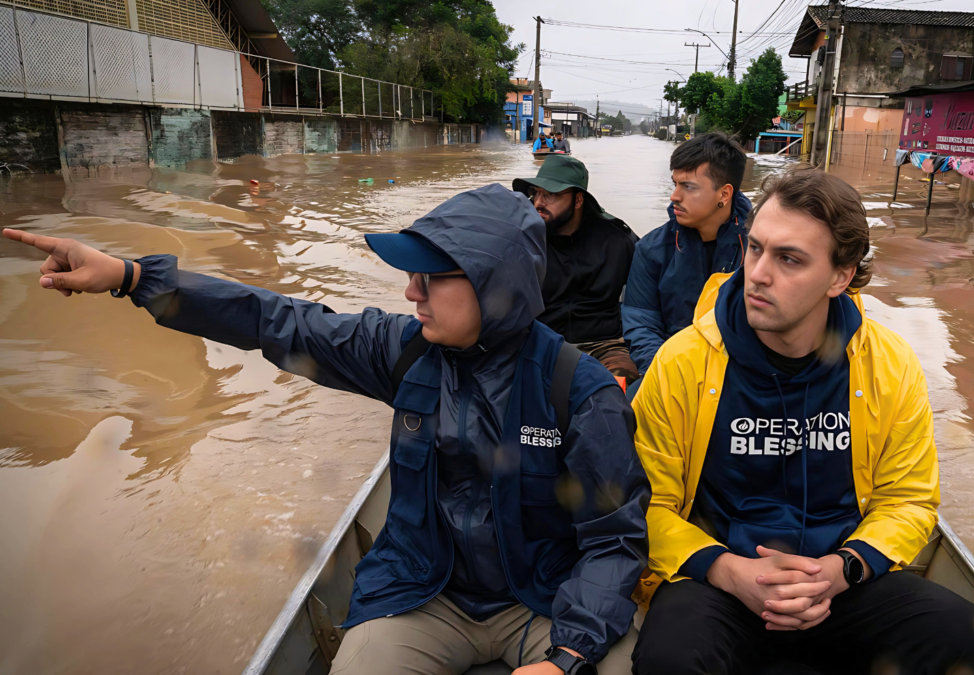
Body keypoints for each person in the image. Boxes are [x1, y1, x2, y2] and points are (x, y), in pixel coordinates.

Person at [2, 184, 649, 675]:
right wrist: (133, 277)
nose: (410, 292)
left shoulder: (579, 392)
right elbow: (278, 320)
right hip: (426, 590)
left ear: (496, 285)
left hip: (541, 601)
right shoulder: (404, 351)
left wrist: (565, 654)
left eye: (431, 276)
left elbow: (615, 542)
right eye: (410, 273)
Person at [629, 169, 974, 675]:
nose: (758, 274)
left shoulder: (887, 364)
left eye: (789, 259)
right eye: (755, 249)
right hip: (720, 579)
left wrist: (842, 569)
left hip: (841, 579)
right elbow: (645, 505)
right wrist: (730, 571)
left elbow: (908, 499)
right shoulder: (682, 362)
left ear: (841, 275)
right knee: (670, 663)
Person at [621, 131, 751, 386]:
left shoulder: (759, 248)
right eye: (675, 184)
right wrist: (671, 377)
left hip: (743, 376)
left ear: (724, 194)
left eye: (688, 187)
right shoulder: (651, 249)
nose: (674, 197)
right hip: (670, 371)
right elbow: (641, 326)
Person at [513, 155, 640, 385]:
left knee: (623, 384)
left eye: (550, 195)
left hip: (605, 345)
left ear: (578, 200)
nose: (538, 203)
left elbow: (647, 300)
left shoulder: (618, 240)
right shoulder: (523, 239)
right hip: (540, 341)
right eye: (536, 193)